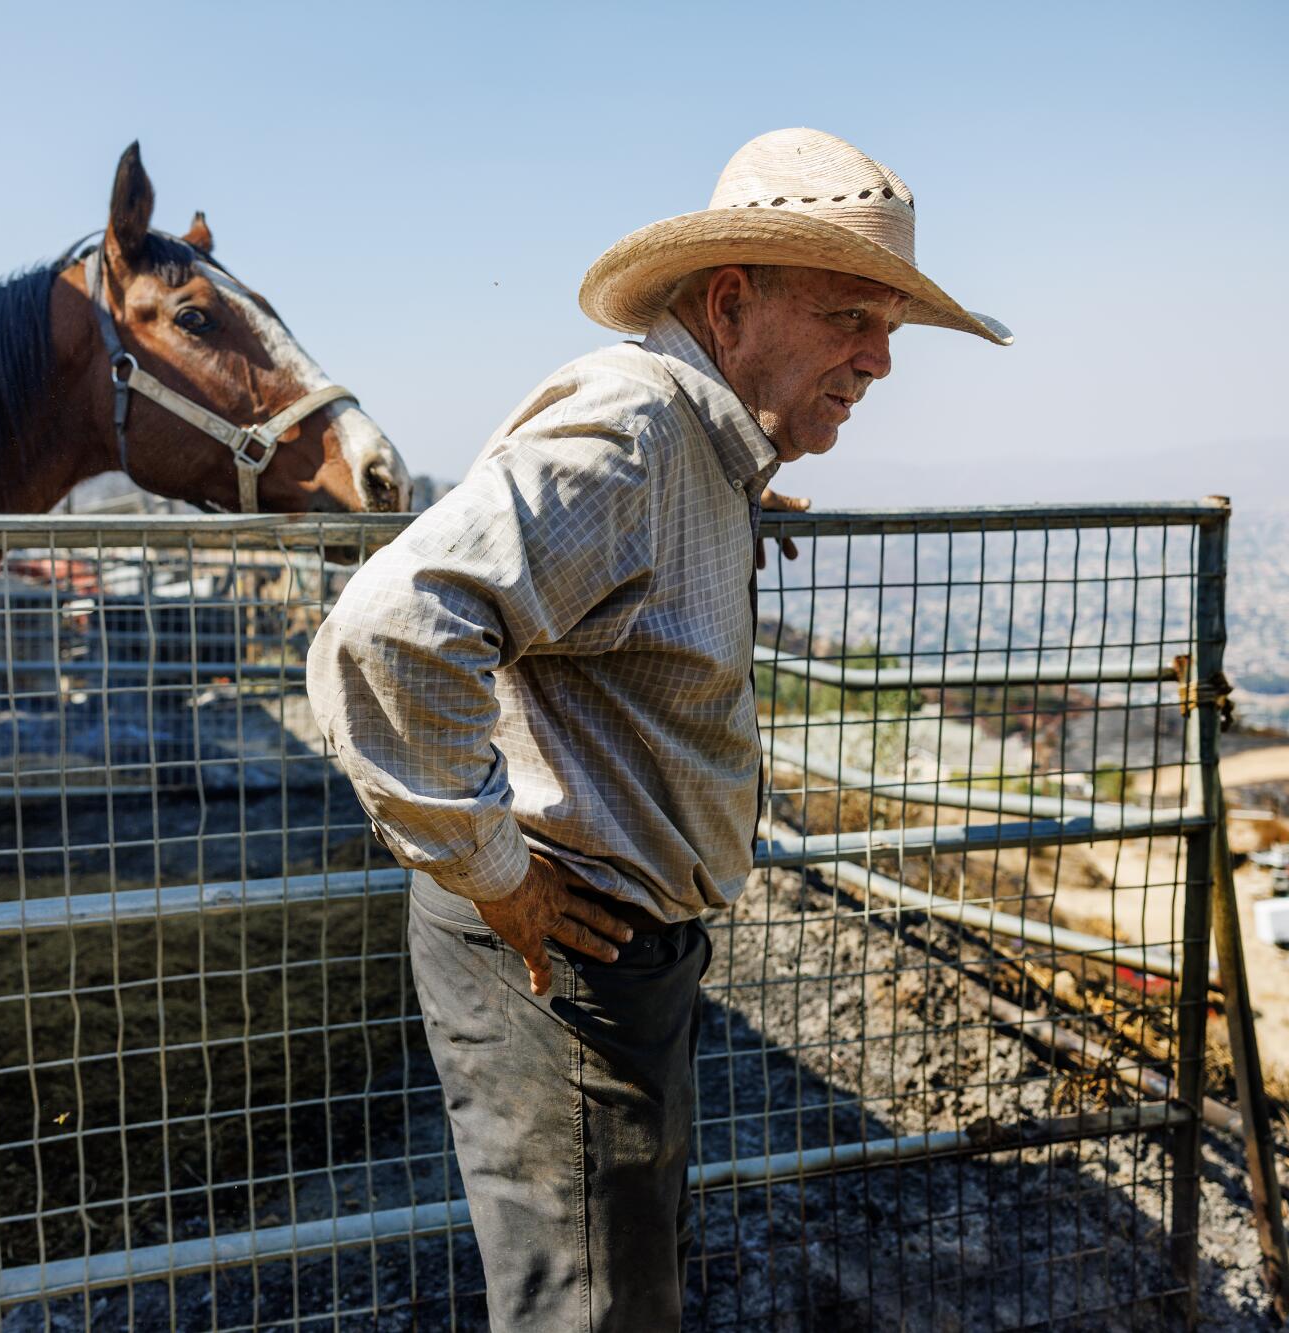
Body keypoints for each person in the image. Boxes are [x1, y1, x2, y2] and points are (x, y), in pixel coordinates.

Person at [307, 127, 1010, 1330]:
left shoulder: (691, 445)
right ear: (731, 302)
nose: (880, 359)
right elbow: (389, 628)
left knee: (615, 1285)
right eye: (854, 316)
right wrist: (492, 871)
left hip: (607, 946)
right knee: (590, 1308)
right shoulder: (636, 438)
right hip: (562, 945)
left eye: (886, 326)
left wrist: (733, 496)